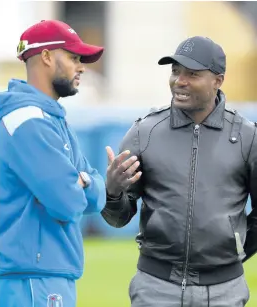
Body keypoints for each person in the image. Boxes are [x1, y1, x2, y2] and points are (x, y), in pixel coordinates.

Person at [102, 36, 257, 307]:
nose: (179, 81)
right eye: (175, 71)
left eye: (192, 74)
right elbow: (118, 219)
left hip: (225, 291)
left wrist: (235, 253)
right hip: (155, 288)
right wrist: (112, 193)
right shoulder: (144, 132)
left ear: (218, 81)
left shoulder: (247, 137)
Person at [0, 20, 106, 307]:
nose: (81, 67)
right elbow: (68, 203)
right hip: (31, 279)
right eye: (73, 57)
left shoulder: (52, 119)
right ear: (46, 56)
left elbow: (97, 197)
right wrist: (81, 182)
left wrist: (85, 182)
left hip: (43, 274)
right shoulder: (27, 121)